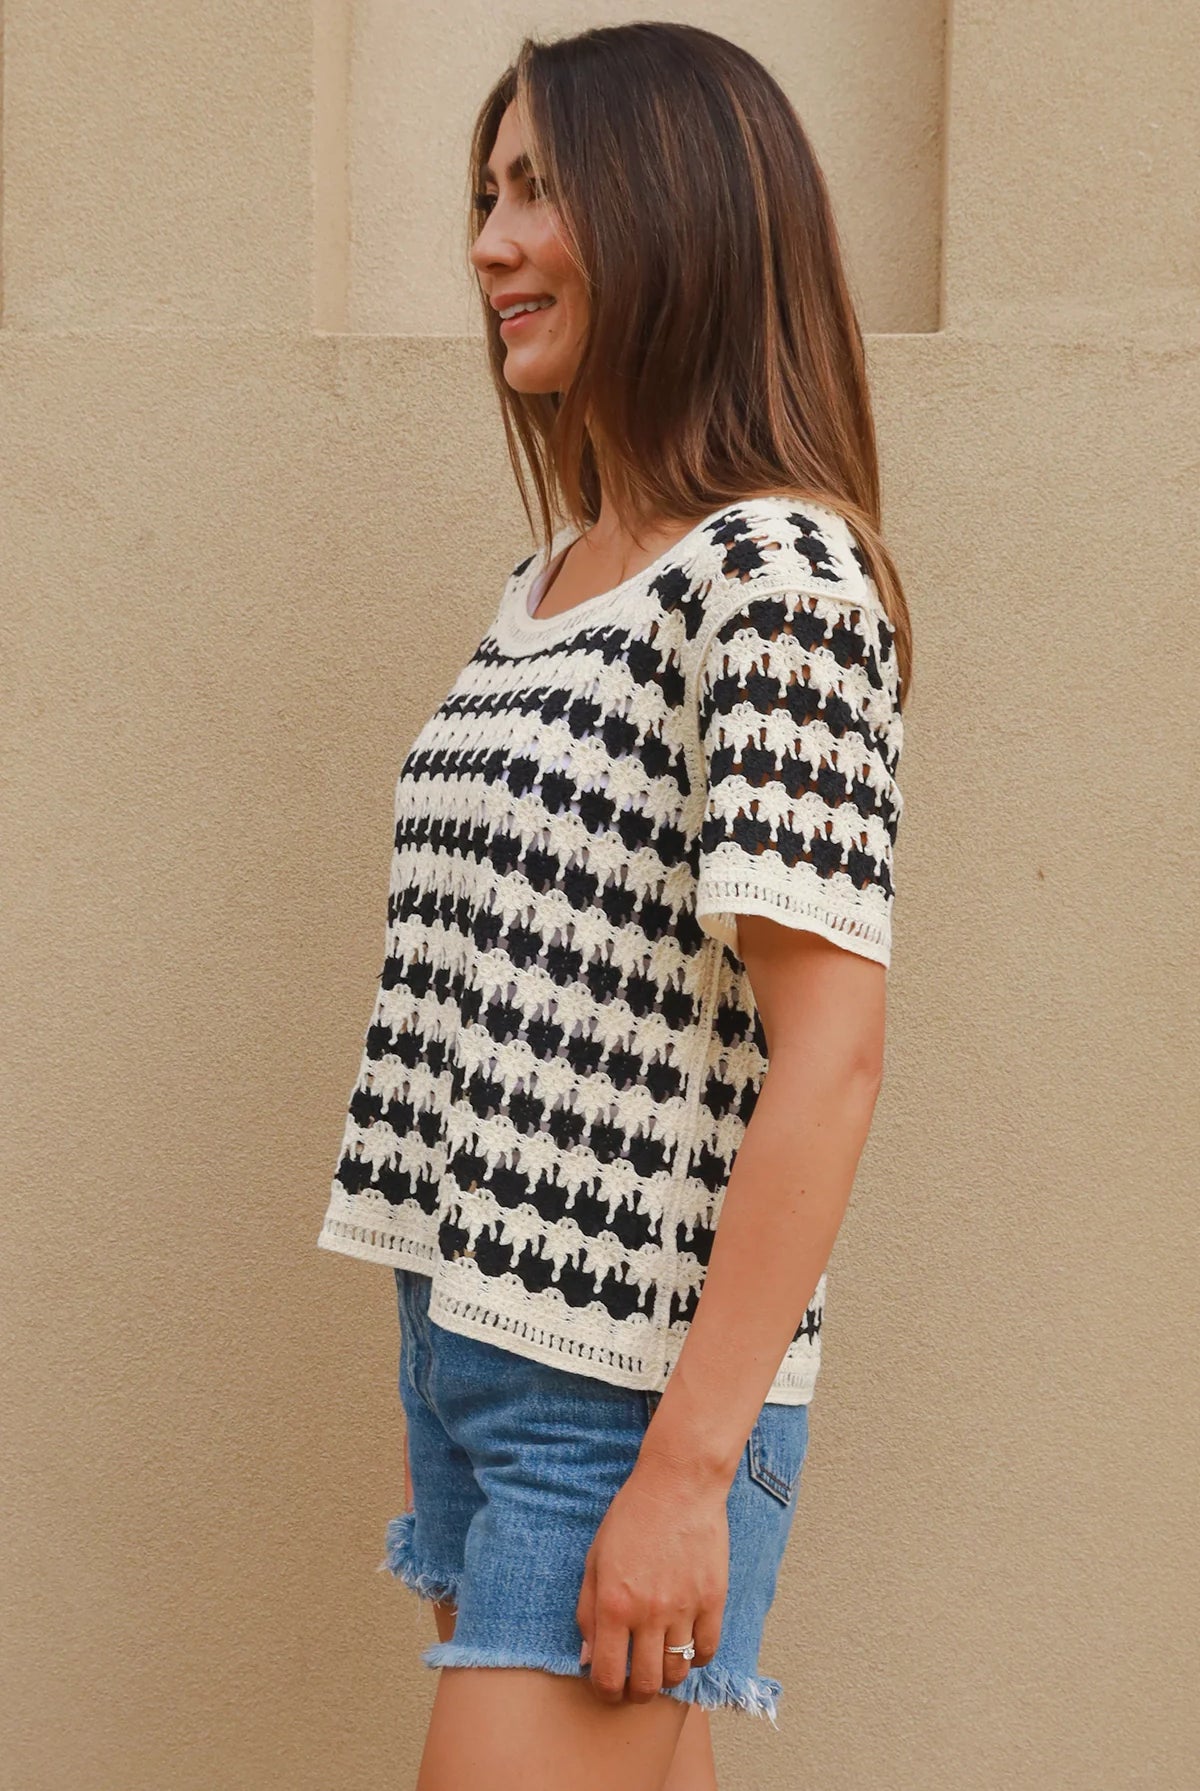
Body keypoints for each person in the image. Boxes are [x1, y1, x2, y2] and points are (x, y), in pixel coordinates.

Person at [316, 21, 913, 1791]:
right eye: (484, 196)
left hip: (622, 1389)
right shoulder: (558, 578)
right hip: (474, 1337)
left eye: (540, 192)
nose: (490, 243)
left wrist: (684, 1472)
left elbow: (833, 1054)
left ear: (676, 215)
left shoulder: (778, 572)